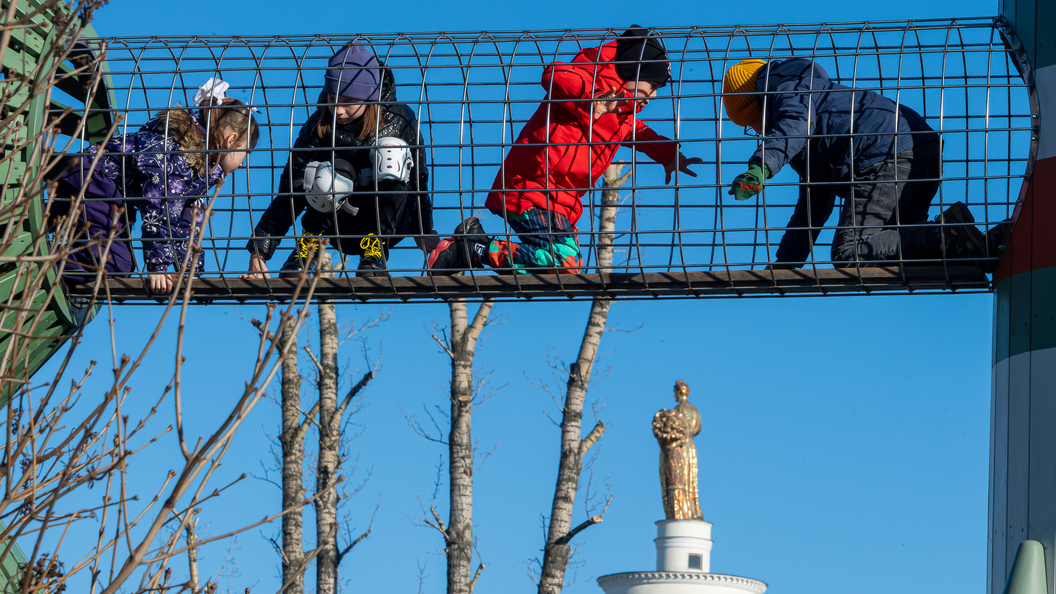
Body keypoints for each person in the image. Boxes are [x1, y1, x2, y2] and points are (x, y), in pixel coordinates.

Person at [427, 26, 702, 275]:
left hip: (560, 201)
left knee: (564, 265)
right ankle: (475, 247)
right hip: (529, 188)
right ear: (632, 71)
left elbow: (642, 134)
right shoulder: (584, 81)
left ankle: (467, 250)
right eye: (651, 86)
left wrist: (669, 155)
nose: (653, 96)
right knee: (564, 263)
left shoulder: (622, 116)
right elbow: (554, 75)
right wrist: (593, 99)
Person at [722, 57, 987, 267]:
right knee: (902, 250)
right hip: (921, 150)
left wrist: (760, 167)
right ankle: (980, 247)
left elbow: (794, 124)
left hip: (886, 155)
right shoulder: (815, 105)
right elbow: (815, 201)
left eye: (750, 123)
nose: (756, 132)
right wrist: (787, 263)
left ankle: (946, 233)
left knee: (850, 253)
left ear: (759, 106)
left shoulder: (790, 93)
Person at [243, 43, 435, 279]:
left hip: (387, 221)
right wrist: (259, 251)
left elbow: (418, 179)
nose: (338, 109)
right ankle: (308, 246)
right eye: (333, 98)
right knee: (334, 170)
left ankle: (374, 249)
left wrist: (424, 230)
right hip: (335, 223)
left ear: (368, 97)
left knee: (392, 152)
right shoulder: (319, 125)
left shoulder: (400, 119)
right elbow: (291, 188)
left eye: (347, 101)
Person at [53, 78, 259, 295]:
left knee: (115, 261)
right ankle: (44, 266)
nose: (243, 163)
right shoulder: (178, 158)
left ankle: (54, 261)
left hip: (106, 189)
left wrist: (189, 271)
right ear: (230, 140)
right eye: (245, 153)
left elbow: (185, 221)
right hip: (94, 178)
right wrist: (158, 266)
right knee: (113, 264)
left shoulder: (198, 166)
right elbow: (160, 208)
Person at [652, 379, 702, 521]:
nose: (674, 395)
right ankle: (692, 510)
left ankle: (681, 510)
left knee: (679, 477)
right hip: (690, 446)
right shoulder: (695, 410)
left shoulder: (678, 410)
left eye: (674, 392)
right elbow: (698, 428)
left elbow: (675, 428)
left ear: (679, 393)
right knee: (690, 478)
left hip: (679, 446)